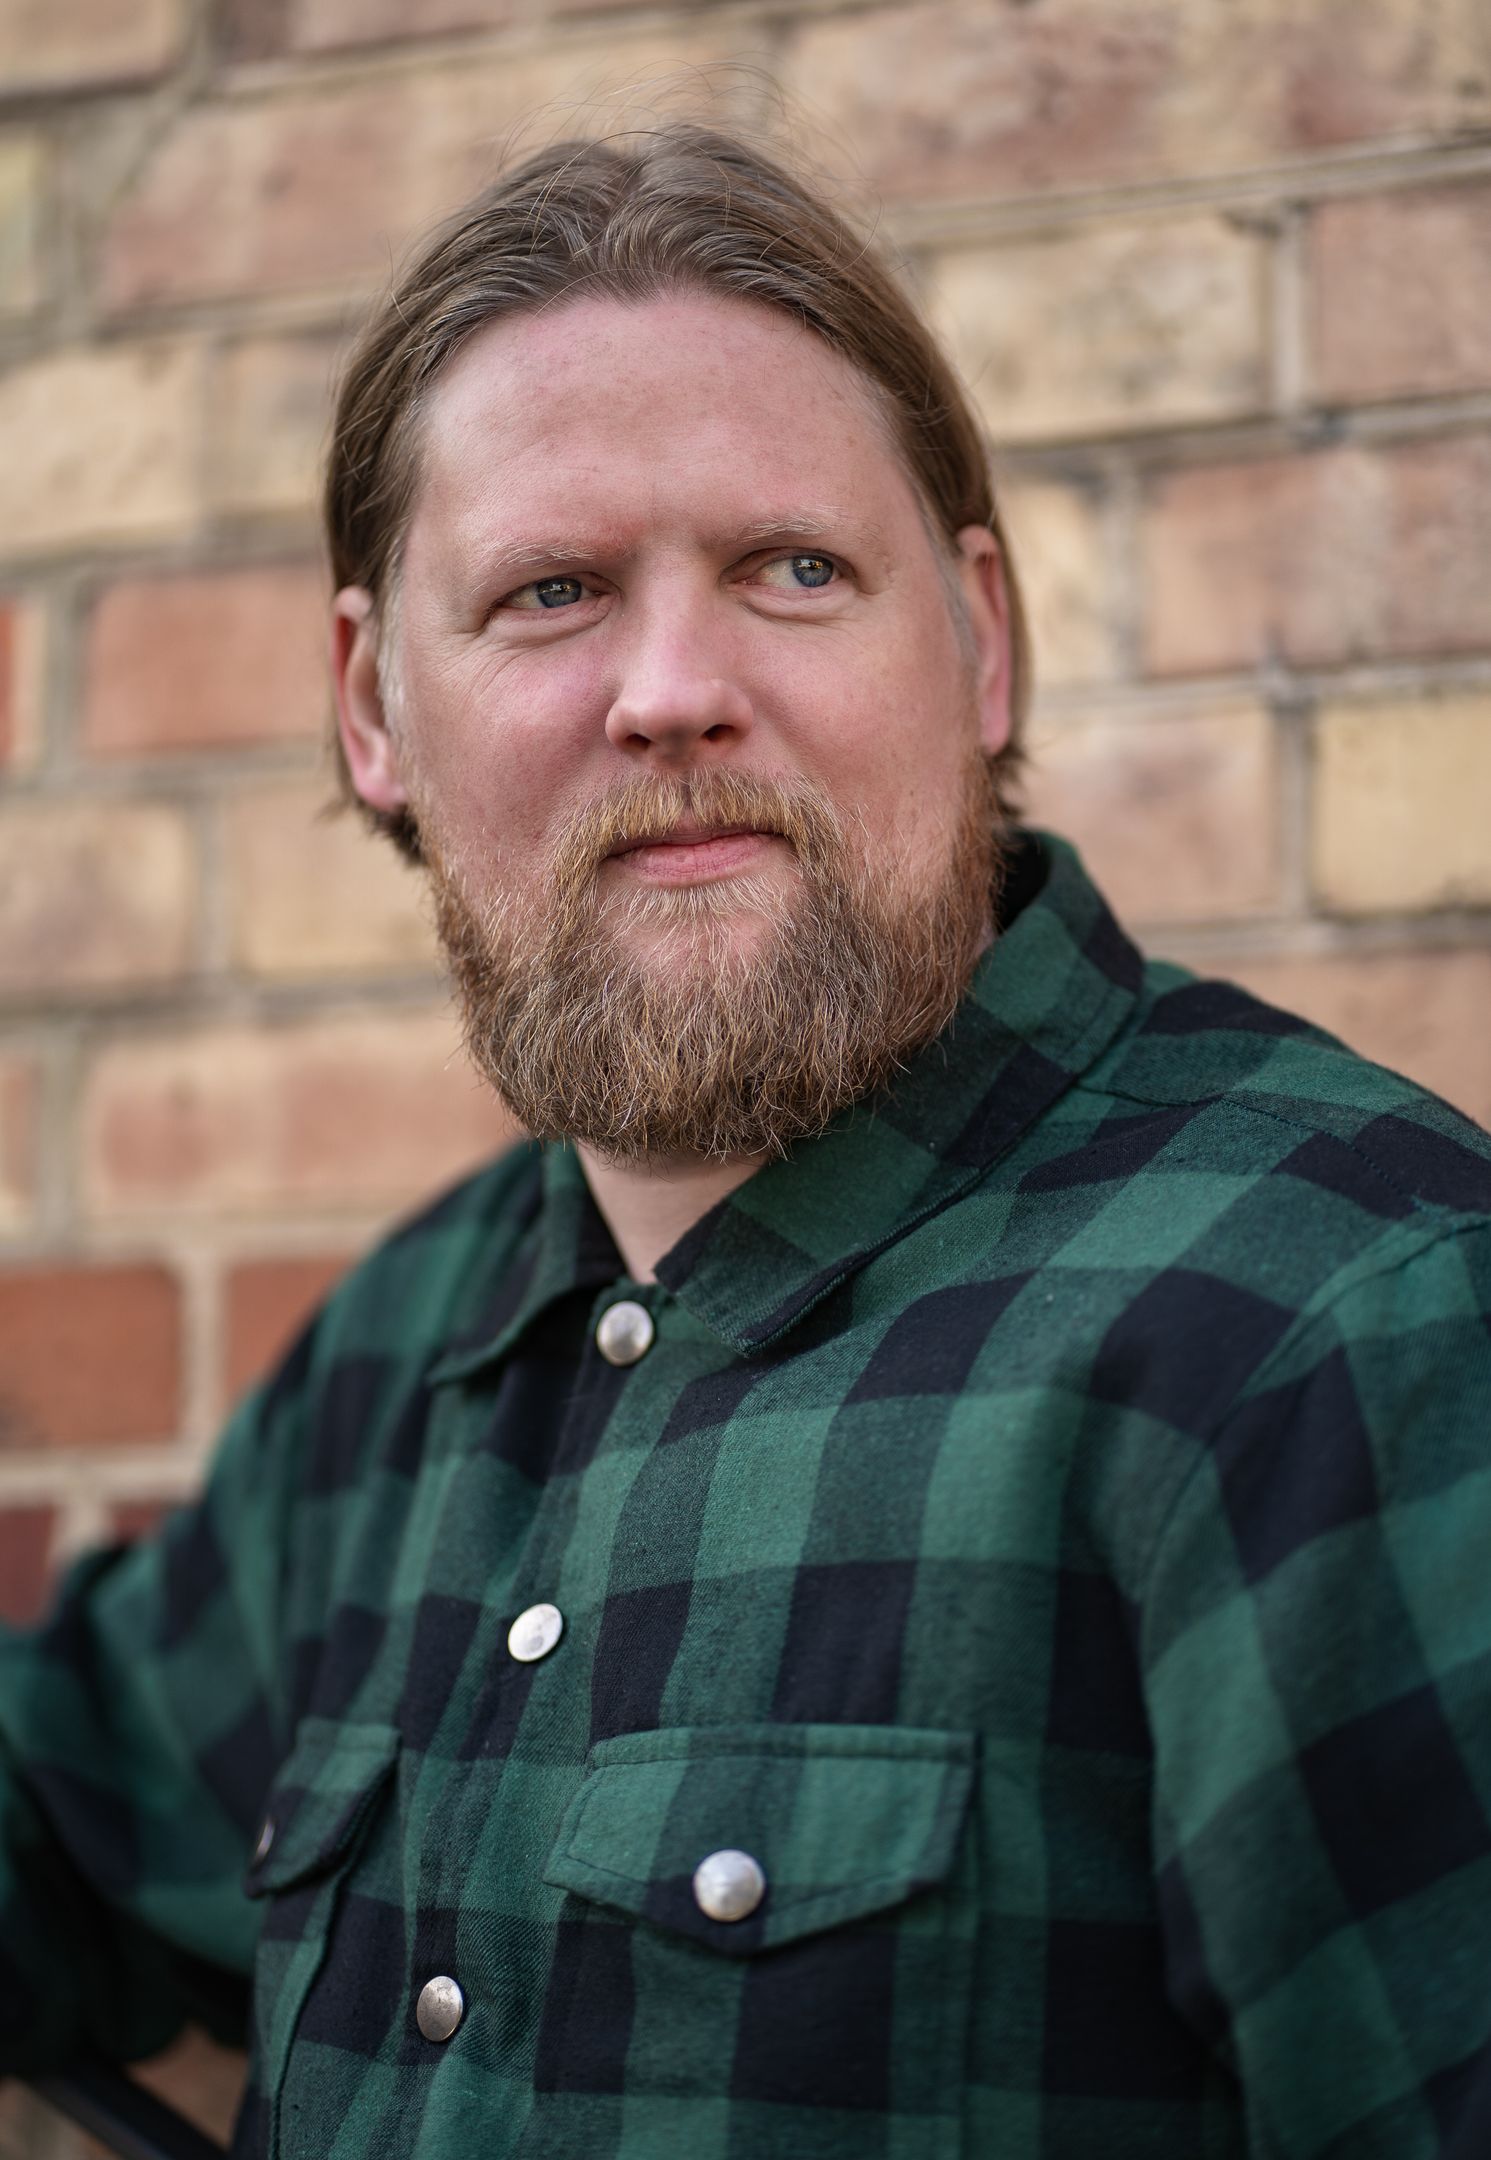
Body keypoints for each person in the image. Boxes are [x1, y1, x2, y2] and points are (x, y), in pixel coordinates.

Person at [3, 121, 1490, 2160]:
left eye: (792, 568)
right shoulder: (413, 1346)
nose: (675, 689)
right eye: (550, 591)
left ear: (978, 641)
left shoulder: (1340, 1329)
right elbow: (60, 1818)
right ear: (372, 708)